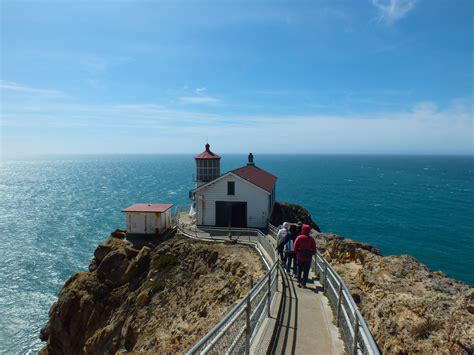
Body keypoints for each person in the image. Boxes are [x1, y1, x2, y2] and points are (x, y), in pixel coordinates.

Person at [294, 224, 316, 288]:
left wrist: (296, 252)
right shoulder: (311, 239)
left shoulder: (299, 237)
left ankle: (298, 281)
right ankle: (304, 284)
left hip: (300, 256)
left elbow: (295, 246)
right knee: (306, 271)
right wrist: (312, 253)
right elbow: (314, 248)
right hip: (308, 257)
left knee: (299, 269)